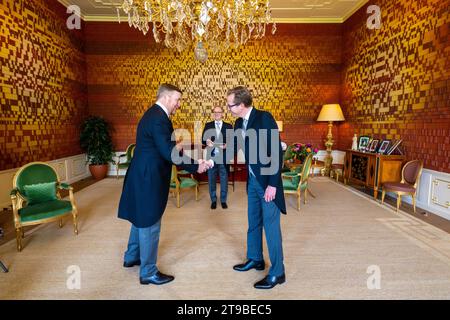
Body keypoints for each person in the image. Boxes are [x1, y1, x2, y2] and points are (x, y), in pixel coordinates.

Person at [118, 84, 212, 285]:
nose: (179, 104)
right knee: (150, 221)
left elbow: (162, 146)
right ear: (167, 98)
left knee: (140, 217)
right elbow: (168, 153)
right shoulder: (159, 118)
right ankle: (148, 272)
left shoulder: (152, 115)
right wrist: (196, 165)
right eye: (177, 100)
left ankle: (131, 256)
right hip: (148, 177)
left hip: (141, 173)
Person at [227, 86, 287, 289]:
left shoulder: (264, 118)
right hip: (252, 181)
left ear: (242, 105)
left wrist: (273, 185)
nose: (229, 108)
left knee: (271, 228)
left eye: (231, 105)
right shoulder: (237, 122)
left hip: (267, 183)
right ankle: (255, 258)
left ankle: (278, 272)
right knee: (253, 222)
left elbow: (276, 152)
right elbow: (233, 147)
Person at [201, 106, 233, 210]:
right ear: (213, 114)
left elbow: (232, 141)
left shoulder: (228, 126)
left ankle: (223, 200)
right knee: (211, 179)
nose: (217, 114)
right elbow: (203, 139)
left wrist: (227, 145)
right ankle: (213, 200)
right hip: (212, 157)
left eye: (219, 112)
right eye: (215, 112)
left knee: (224, 179)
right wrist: (207, 141)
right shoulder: (208, 125)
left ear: (222, 113)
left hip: (224, 157)